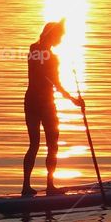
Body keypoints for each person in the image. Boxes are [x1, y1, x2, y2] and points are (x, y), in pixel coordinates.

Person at [22, 20, 83, 197]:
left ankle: (45, 185)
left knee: (46, 144)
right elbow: (52, 80)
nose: (61, 39)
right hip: (40, 103)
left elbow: (55, 82)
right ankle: (35, 186)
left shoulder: (39, 51)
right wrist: (72, 99)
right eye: (60, 36)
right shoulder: (38, 51)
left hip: (37, 102)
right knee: (42, 144)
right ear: (52, 35)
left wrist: (73, 99)